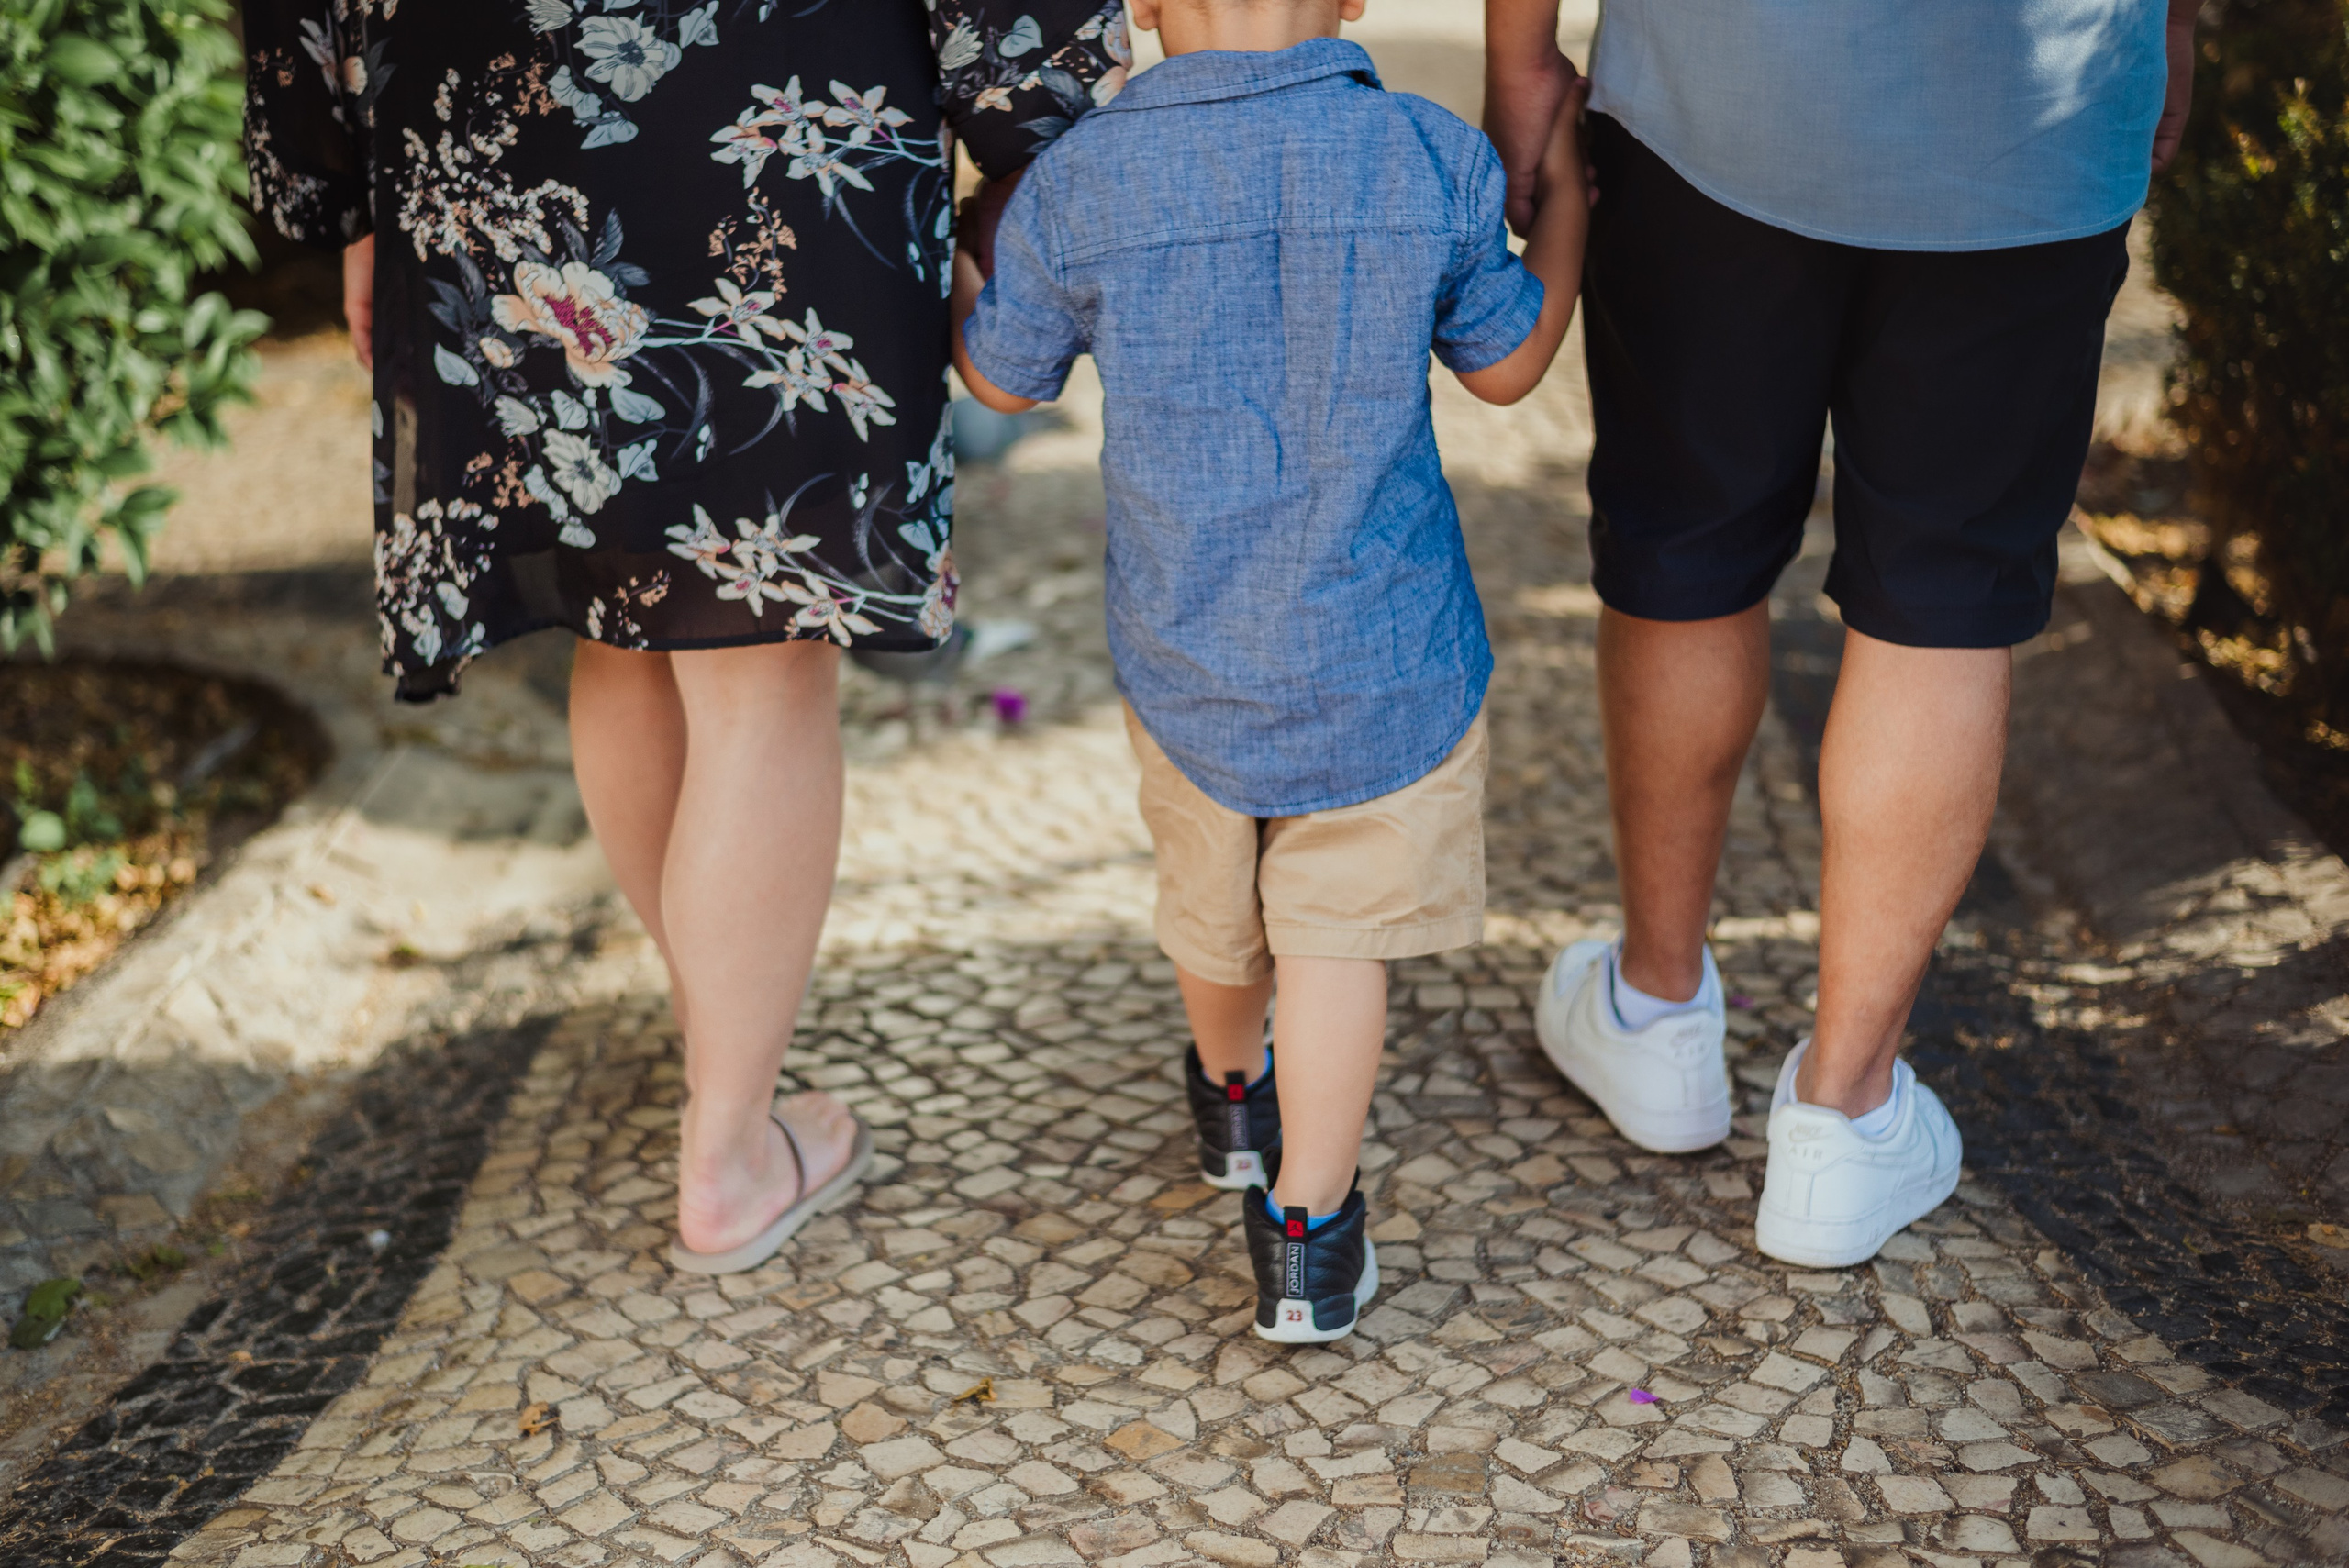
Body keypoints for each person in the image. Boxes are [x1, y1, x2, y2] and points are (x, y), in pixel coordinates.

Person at [242, 0, 1126, 1273]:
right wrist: (1032, 124)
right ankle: (728, 1152)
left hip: (485, 98)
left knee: (627, 615)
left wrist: (345, 180)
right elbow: (1028, 62)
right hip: (779, 90)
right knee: (759, 654)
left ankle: (724, 1040)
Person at [1482, 0, 2202, 1266]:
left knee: (1684, 540)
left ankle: (1655, 1012)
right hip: (2033, 117)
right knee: (1945, 591)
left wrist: (1522, 56)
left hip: (1718, 92)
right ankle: (1841, 1111)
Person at [951, 0, 1591, 1340]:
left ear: (1138, 7)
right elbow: (1509, 366)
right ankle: (1308, 1233)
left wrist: (954, 265)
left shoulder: (1089, 179)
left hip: (1188, 649)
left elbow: (1002, 383)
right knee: (1333, 936)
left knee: (1213, 901)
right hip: (1384, 651)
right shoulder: (1423, 155)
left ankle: (1235, 1102)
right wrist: (1573, 201)